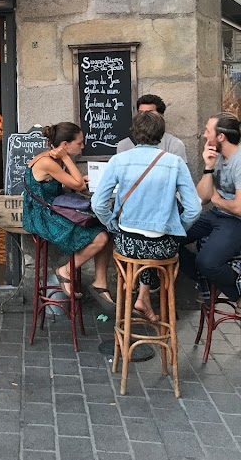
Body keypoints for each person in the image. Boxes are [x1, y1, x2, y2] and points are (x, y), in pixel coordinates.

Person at [92, 112, 201, 322]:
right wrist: (178, 229)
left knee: (140, 249)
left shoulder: (119, 160)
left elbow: (98, 204)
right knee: (153, 246)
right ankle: (143, 298)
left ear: (135, 133)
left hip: (128, 245)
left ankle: (141, 299)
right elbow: (194, 209)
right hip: (162, 246)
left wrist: (112, 224)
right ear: (161, 135)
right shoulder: (175, 162)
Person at [22, 123, 113, 309]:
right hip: (43, 217)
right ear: (65, 144)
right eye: (79, 143)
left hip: (53, 209)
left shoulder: (54, 160)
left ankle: (100, 283)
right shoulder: (48, 161)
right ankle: (65, 271)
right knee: (101, 237)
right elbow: (79, 185)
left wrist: (75, 177)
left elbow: (64, 186)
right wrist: (67, 160)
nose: (82, 147)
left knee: (106, 230)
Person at [179, 112, 241, 300]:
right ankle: (205, 281)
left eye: (208, 131)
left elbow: (239, 208)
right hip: (217, 214)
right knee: (169, 238)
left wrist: (217, 200)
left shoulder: (239, 161)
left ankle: (236, 294)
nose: (204, 135)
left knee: (208, 262)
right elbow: (202, 198)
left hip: (235, 220)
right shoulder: (219, 157)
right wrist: (208, 167)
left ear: (221, 137)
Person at [117, 94, 187, 162]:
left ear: (161, 115)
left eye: (149, 113)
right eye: (141, 113)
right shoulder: (124, 145)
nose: (144, 116)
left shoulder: (174, 144)